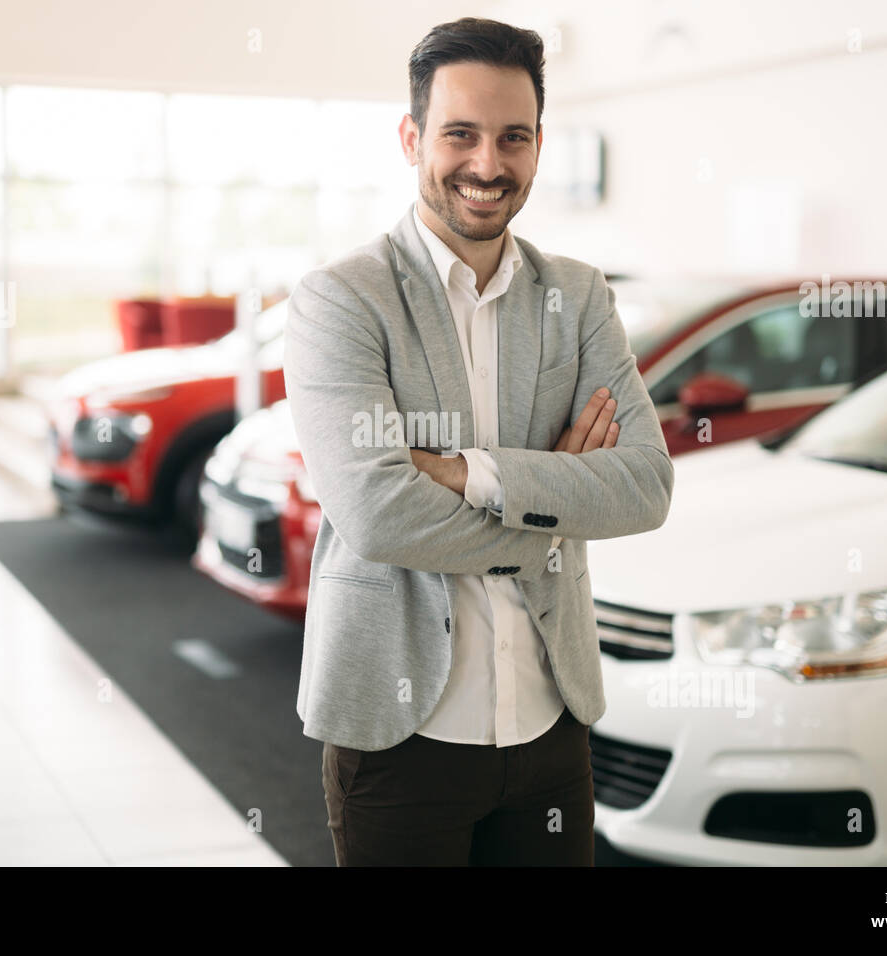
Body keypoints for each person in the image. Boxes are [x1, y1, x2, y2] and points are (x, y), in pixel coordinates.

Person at [283, 16, 674, 866]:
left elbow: (645, 484)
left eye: (514, 138)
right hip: (400, 736)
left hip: (551, 728)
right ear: (412, 136)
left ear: (539, 145)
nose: (488, 165)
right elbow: (379, 515)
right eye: (461, 134)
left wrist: (467, 473)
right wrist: (557, 501)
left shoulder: (577, 295)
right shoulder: (341, 300)